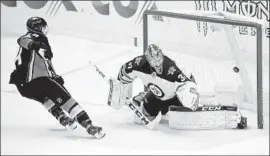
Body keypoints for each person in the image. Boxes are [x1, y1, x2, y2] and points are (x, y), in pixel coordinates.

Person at [108, 44, 247, 129]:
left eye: (159, 60)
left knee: (187, 103)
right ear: (147, 59)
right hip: (160, 96)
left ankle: (216, 105)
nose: (157, 64)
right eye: (153, 61)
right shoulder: (139, 64)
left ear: (162, 55)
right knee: (139, 119)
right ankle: (144, 97)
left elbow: (190, 83)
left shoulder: (172, 69)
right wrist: (122, 91)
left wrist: (191, 97)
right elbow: (124, 72)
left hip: (177, 95)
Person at [9, 17, 105, 138]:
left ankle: (61, 117)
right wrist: (35, 45)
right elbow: (23, 40)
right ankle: (88, 125)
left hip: (23, 86)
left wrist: (54, 76)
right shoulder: (33, 38)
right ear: (38, 28)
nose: (45, 29)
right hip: (37, 81)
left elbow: (44, 64)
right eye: (43, 27)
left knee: (45, 98)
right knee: (66, 100)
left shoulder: (37, 41)